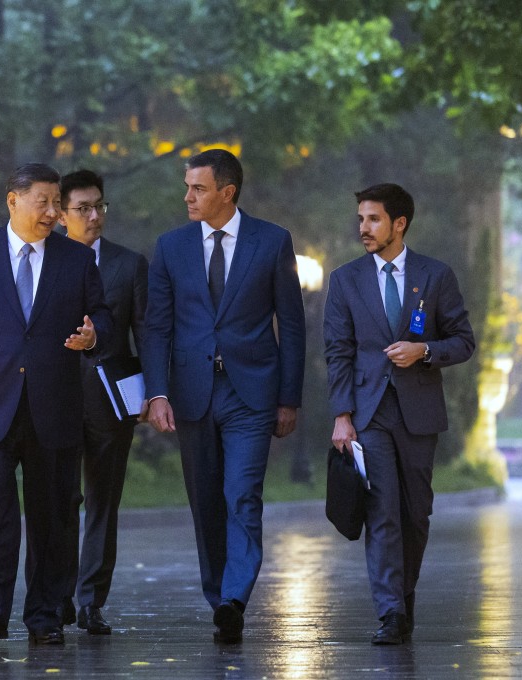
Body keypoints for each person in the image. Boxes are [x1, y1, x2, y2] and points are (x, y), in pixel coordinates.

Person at [0, 163, 112, 646]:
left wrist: (94, 334)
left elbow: (102, 315)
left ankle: (45, 615)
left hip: (54, 405)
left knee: (52, 513)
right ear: (13, 201)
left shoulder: (76, 260)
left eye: (58, 202)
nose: (54, 212)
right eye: (44, 202)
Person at [143, 149, 305, 643]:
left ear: (227, 193)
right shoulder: (170, 247)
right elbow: (157, 327)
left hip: (250, 394)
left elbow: (293, 324)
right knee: (205, 501)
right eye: (187, 187)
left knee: (242, 495)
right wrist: (157, 393)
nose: (187, 196)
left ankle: (235, 596)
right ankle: (219, 600)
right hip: (192, 393)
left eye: (198, 188)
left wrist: (289, 398)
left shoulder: (272, 241)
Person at [323, 183, 474, 645]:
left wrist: (423, 349)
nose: (363, 228)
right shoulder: (346, 279)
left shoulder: (435, 275)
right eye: (361, 219)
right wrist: (342, 415)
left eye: (372, 219)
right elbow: (337, 350)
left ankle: (404, 597)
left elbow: (463, 341)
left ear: (399, 223)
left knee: (416, 513)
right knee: (382, 509)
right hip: (369, 413)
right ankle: (389, 612)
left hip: (419, 411)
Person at [58, 169, 148, 635]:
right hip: (54, 400)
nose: (94, 216)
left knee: (102, 503)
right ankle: (58, 597)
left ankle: (91, 600)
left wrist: (155, 393)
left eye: (99, 207)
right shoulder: (43, 261)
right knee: (58, 500)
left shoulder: (129, 265)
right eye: (83, 209)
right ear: (61, 214)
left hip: (111, 404)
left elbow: (147, 334)